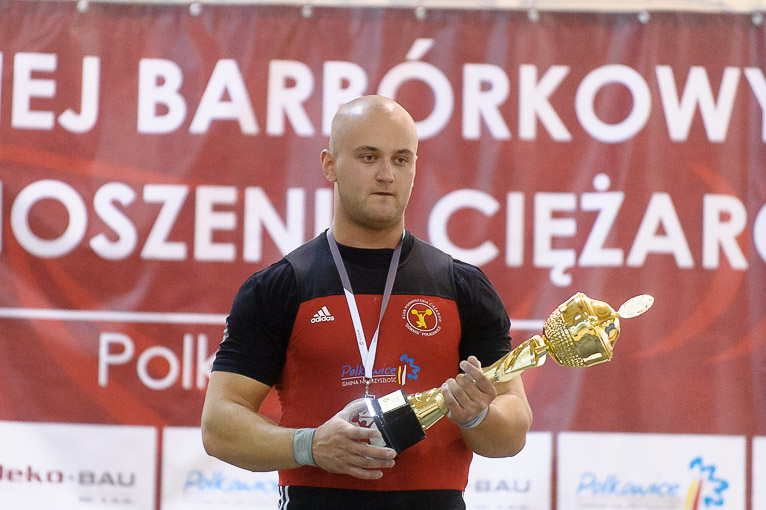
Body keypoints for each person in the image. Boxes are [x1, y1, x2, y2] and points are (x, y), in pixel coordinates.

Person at [201, 95, 533, 509]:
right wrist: (309, 446)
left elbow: (512, 433)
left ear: (414, 168)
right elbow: (218, 426)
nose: (386, 174)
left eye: (401, 159)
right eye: (369, 157)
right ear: (329, 165)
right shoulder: (279, 287)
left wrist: (478, 416)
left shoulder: (463, 287)